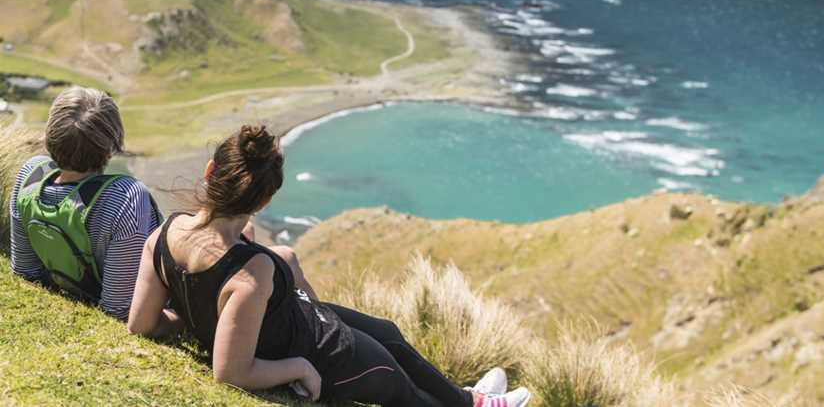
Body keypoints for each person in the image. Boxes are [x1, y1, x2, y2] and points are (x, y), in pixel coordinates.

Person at [127, 125, 530, 407]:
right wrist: (299, 367)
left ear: (210, 172)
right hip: (325, 353)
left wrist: (191, 315)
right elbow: (230, 372)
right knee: (404, 392)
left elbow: (140, 324)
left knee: (388, 333)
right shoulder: (251, 272)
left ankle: (470, 400)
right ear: (264, 200)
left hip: (299, 322)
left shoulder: (163, 235)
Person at [8, 86, 167, 322]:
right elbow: (119, 309)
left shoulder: (30, 175)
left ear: (51, 134)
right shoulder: (126, 196)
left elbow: (25, 271)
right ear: (111, 145)